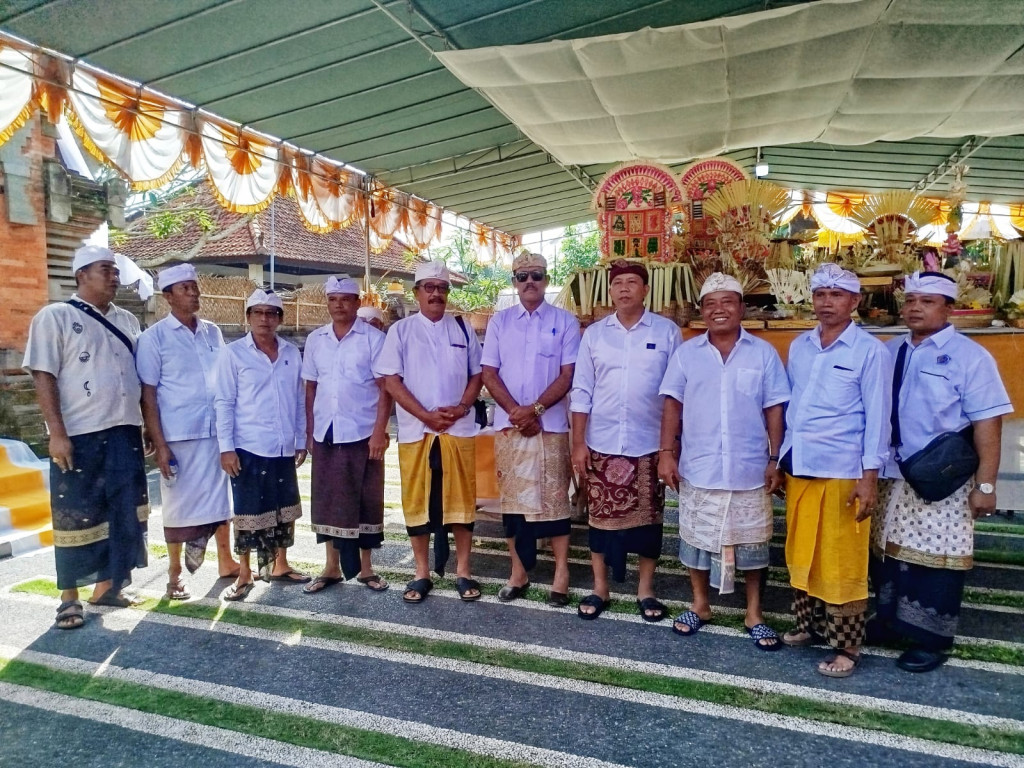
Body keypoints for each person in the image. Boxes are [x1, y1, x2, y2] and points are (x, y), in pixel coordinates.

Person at [871, 271, 1013, 672]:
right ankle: (889, 622)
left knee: (936, 557)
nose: (915, 308)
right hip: (893, 473)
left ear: (949, 308)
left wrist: (986, 485)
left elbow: (988, 423)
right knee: (887, 551)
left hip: (943, 479)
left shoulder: (971, 357)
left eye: (928, 301)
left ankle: (930, 639)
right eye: (910, 300)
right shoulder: (889, 350)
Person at [658, 273, 790, 649]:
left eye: (727, 302)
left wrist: (775, 458)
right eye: (710, 304)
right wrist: (666, 454)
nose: (719, 310)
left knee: (753, 544)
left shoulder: (763, 353)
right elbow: (672, 405)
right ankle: (700, 605)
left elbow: (775, 408)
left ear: (742, 308)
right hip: (700, 465)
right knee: (697, 540)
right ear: (702, 311)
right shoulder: (687, 354)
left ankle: (754, 613)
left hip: (749, 468)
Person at [23, 244, 149, 629]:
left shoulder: (128, 320)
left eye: (115, 271)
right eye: (105, 270)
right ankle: (69, 598)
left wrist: (145, 425)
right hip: (80, 435)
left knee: (121, 511)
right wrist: (56, 434)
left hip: (124, 431)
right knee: (75, 516)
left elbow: (140, 379)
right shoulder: (55, 316)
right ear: (81, 275)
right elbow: (44, 375)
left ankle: (108, 587)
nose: (114, 277)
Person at [779, 263, 892, 677]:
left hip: (844, 470)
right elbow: (793, 408)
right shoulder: (800, 346)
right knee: (801, 551)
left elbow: (878, 418)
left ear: (855, 301)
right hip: (801, 465)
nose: (827, 302)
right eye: (820, 294)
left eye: (837, 295)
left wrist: (869, 477)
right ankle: (807, 624)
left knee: (841, 560)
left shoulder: (870, 351)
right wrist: (779, 459)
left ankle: (848, 646)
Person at [570, 260, 680, 621]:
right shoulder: (594, 335)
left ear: (645, 290)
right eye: (618, 283)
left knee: (649, 522)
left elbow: (675, 393)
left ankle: (645, 590)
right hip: (602, 443)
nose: (624, 289)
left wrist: (670, 447)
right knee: (600, 520)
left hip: (649, 445)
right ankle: (600, 587)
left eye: (632, 282)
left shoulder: (666, 332)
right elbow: (581, 391)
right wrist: (578, 443)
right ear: (610, 291)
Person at [375, 260, 484, 603]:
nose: (436, 294)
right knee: (417, 502)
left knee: (462, 502)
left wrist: (462, 407)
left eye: (442, 288)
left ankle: (463, 571)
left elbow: (477, 375)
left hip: (458, 429)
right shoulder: (401, 331)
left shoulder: (462, 328)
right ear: (417, 293)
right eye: (429, 288)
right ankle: (421, 572)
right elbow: (391, 381)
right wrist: (425, 415)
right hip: (416, 432)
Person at [481, 252, 580, 606]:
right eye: (522, 276)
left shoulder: (565, 321)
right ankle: (518, 572)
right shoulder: (500, 321)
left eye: (536, 275)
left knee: (555, 502)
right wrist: (516, 413)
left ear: (547, 280)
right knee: (512, 504)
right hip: (511, 428)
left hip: (550, 426)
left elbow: (568, 374)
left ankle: (561, 574)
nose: (529, 282)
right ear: (514, 282)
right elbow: (489, 373)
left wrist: (535, 410)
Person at [137, 263, 239, 600]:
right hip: (178, 435)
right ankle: (174, 574)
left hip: (216, 432)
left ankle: (226, 561)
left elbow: (224, 381)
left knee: (221, 500)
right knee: (178, 506)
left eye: (195, 287)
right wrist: (160, 443)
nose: (194, 293)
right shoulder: (153, 338)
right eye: (185, 288)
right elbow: (148, 395)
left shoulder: (213, 332)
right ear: (168, 296)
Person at [214, 288, 309, 600]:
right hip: (247, 447)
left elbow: (298, 400)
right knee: (248, 512)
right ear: (248, 317)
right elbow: (224, 402)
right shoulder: (233, 354)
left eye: (271, 313)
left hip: (282, 445)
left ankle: (281, 564)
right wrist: (226, 447)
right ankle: (244, 573)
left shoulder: (292, 353)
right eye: (258, 312)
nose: (264, 319)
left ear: (280, 318)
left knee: (283, 509)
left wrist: (300, 439)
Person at [302, 277, 391, 594]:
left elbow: (386, 389)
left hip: (362, 433)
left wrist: (379, 432)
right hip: (326, 432)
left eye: (345, 299)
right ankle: (331, 567)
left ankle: (367, 569)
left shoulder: (373, 339)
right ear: (327, 302)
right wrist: (310, 432)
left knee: (366, 499)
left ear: (357, 302)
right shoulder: (316, 339)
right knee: (328, 500)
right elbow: (310, 388)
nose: (339, 305)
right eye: (333, 299)